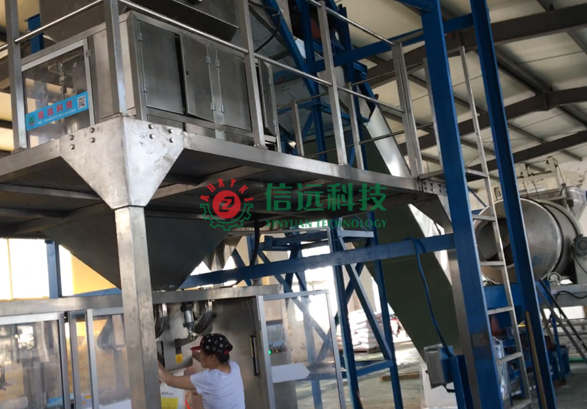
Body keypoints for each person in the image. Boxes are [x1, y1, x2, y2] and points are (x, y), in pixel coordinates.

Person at [158, 333, 246, 409]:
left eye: (202, 352)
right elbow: (209, 362)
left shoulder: (209, 379)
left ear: (212, 357)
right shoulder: (234, 367)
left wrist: (152, 356)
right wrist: (189, 352)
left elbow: (168, 380)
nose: (201, 355)